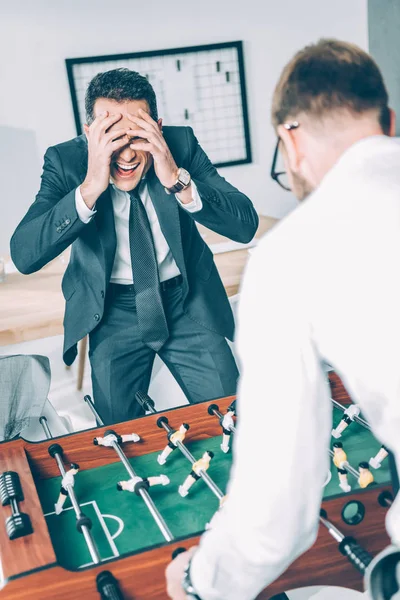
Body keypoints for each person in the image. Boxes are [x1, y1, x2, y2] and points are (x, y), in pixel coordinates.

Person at [166, 38, 400, 600]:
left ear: (289, 141)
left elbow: (275, 519)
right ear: (389, 121)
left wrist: (200, 581)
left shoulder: (287, 256)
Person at [10, 68, 258, 425]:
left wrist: (177, 179)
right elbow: (25, 254)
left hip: (185, 300)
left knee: (235, 418)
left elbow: (245, 224)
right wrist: (91, 186)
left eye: (137, 136)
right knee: (119, 432)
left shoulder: (181, 145)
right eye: (112, 137)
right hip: (111, 311)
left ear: (156, 126)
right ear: (90, 133)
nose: (125, 154)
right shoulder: (65, 162)